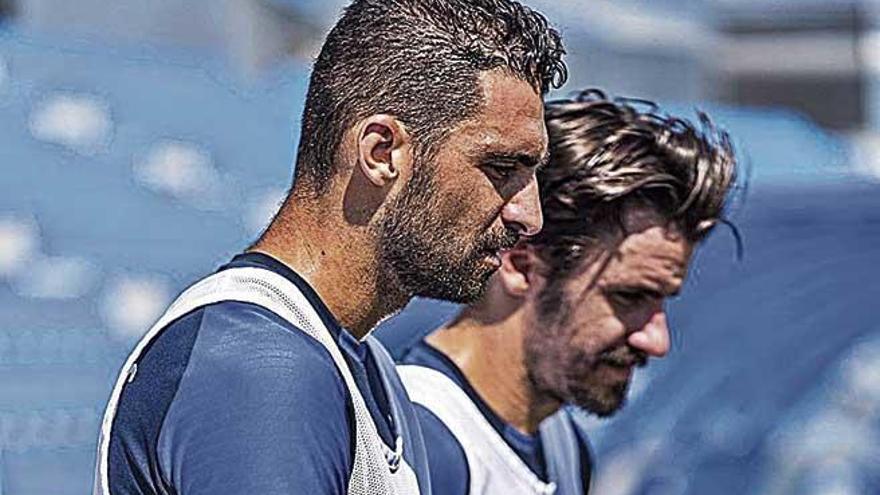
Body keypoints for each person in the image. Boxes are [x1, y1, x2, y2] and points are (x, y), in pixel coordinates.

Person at [94, 1, 567, 494]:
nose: (529, 216)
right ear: (381, 153)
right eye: (500, 168)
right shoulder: (261, 367)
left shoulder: (366, 367)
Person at [398, 90, 739, 495]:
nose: (657, 340)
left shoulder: (561, 445)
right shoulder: (421, 448)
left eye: (662, 300)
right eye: (629, 297)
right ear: (522, 266)